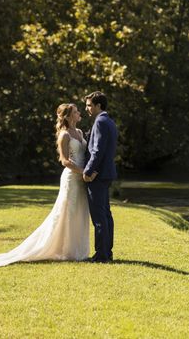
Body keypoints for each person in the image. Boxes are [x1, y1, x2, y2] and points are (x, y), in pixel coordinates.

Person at [0, 104, 90, 270]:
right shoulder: (64, 135)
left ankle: (79, 250)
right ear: (67, 116)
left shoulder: (79, 133)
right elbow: (64, 161)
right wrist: (83, 171)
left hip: (82, 179)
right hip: (72, 178)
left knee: (80, 211)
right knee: (68, 212)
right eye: (75, 111)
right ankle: (68, 251)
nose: (79, 113)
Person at [82, 91, 117, 263]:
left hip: (98, 175)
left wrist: (88, 171)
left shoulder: (101, 122)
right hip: (106, 173)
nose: (87, 108)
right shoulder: (109, 121)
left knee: (99, 216)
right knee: (105, 214)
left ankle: (102, 255)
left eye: (89, 105)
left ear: (98, 106)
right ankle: (107, 252)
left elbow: (98, 151)